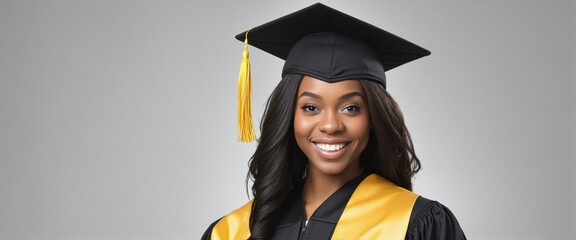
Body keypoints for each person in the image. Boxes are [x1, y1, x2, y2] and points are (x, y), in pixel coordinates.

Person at [202, 3, 466, 240]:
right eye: (310, 107)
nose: (330, 125)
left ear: (373, 118)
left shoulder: (413, 223)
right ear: (289, 116)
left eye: (351, 108)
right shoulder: (231, 232)